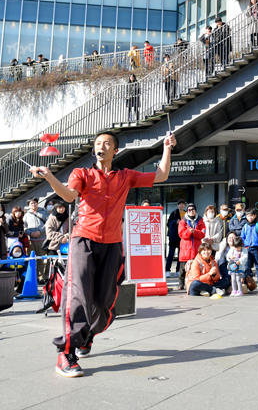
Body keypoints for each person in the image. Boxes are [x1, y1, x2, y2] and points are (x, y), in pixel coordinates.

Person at [29, 129, 176, 377]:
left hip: (112, 244)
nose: (101, 146)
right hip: (83, 240)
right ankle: (66, 353)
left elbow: (161, 175)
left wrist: (167, 147)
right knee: (77, 295)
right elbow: (68, 195)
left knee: (105, 302)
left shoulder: (125, 176)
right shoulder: (82, 174)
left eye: (107, 143)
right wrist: (50, 177)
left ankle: (86, 335)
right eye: (98, 143)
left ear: (115, 150)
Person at [177, 203, 205, 290]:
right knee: (182, 269)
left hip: (196, 248)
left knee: (196, 267)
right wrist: (189, 232)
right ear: (187, 211)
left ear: (195, 210)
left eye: (193, 209)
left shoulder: (201, 220)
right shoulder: (183, 221)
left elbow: (203, 234)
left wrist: (194, 232)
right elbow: (181, 234)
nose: (191, 211)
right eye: (189, 210)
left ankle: (194, 283)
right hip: (186, 248)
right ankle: (181, 284)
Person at [240, 208, 258, 287]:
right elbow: (242, 237)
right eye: (248, 216)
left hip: (256, 248)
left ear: (255, 216)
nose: (250, 217)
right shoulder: (245, 226)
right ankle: (249, 281)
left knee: (257, 265)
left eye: (251, 216)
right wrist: (243, 246)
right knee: (247, 266)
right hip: (247, 248)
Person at [165, 200, 184, 274]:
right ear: (178, 205)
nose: (181, 206)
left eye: (183, 204)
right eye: (180, 204)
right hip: (173, 237)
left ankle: (178, 270)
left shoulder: (186, 213)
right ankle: (167, 270)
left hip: (182, 237)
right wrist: (175, 222)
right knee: (171, 254)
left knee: (180, 255)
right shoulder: (174, 213)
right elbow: (168, 223)